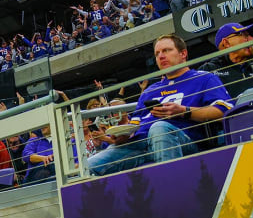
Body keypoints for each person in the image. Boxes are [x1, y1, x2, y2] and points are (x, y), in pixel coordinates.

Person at [88, 35, 233, 176]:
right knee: (89, 166)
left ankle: (171, 191)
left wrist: (184, 111)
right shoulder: (149, 91)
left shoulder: (204, 78)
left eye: (166, 50)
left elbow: (224, 110)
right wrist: (123, 135)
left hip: (182, 138)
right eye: (157, 53)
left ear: (183, 53)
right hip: (139, 144)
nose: (161, 56)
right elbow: (135, 124)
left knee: (159, 127)